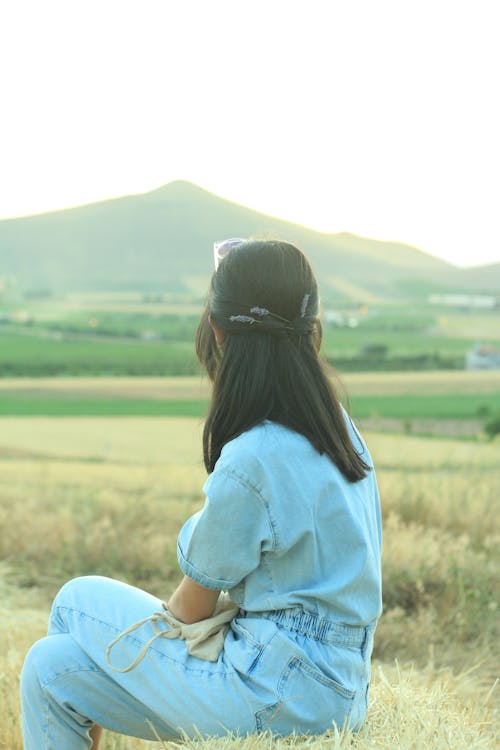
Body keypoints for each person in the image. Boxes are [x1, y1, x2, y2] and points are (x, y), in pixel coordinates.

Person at [21, 238, 382, 748]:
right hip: (341, 691)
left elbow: (189, 611)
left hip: (272, 692)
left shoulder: (253, 455)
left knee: (74, 601)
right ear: (311, 333)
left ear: (217, 330)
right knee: (50, 667)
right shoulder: (339, 430)